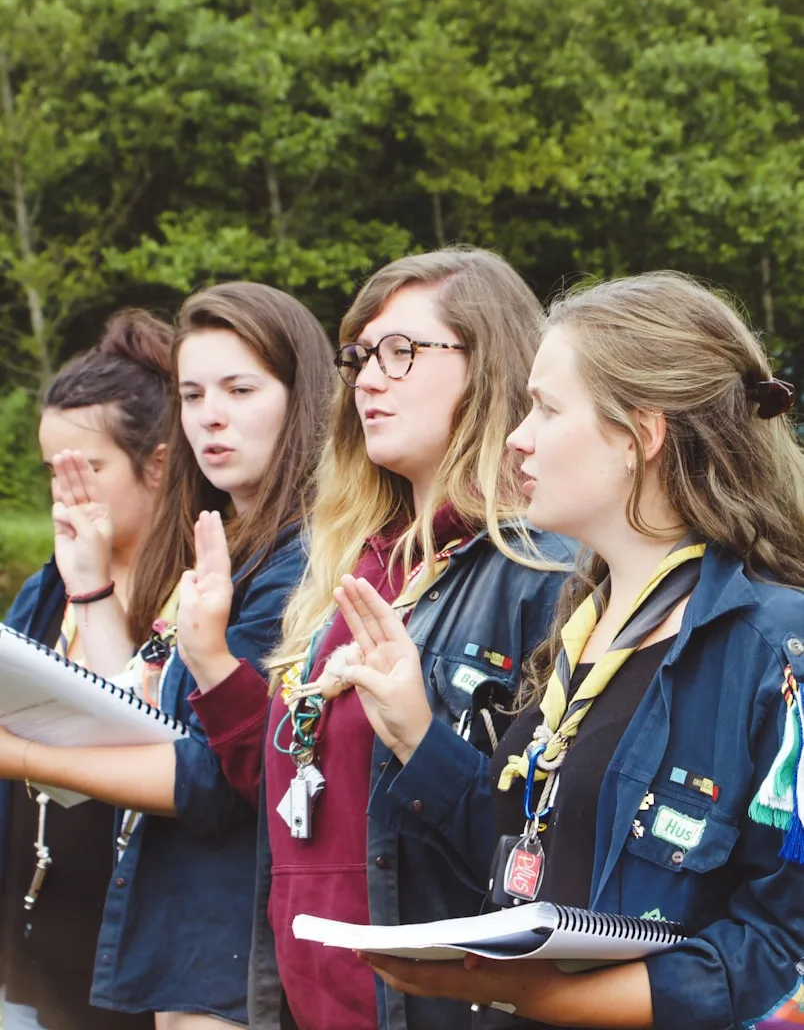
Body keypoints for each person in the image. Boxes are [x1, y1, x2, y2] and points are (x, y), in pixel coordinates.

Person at [342, 271, 804, 1030]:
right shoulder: (582, 625)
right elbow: (519, 854)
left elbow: (782, 957)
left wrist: (542, 997)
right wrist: (414, 731)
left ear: (638, 436)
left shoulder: (778, 653)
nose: (518, 437)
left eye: (546, 409)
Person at [179, 246, 576, 1030]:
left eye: (402, 352)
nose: (364, 379)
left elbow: (549, 846)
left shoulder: (544, 569)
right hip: (307, 1004)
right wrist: (213, 666)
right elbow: (304, 793)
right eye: (359, 356)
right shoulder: (352, 559)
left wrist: (423, 737)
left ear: (489, 366)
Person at [0, 282, 333, 1030]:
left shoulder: (303, 563)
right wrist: (87, 590)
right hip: (172, 963)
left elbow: (212, 780)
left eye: (240, 388)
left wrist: (20, 755)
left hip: (236, 965)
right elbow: (144, 727)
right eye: (192, 394)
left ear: (301, 396)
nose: (210, 414)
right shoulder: (226, 547)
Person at [2, 309, 173, 1030]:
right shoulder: (45, 589)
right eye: (53, 470)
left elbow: (172, 763)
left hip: (132, 971)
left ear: (159, 465)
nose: (67, 491)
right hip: (28, 952)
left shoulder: (196, 599)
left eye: (89, 468)